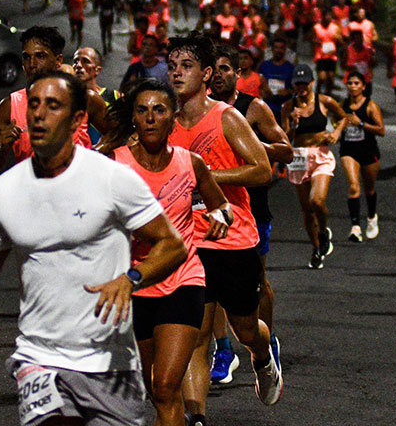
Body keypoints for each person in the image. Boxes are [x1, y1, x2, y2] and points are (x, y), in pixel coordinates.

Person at [0, 71, 187, 426]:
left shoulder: (112, 178)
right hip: (39, 357)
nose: (39, 114)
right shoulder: (4, 191)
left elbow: (172, 245)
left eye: (53, 105)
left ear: (77, 120)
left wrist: (131, 277)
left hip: (108, 362)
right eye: (35, 105)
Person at [163, 35, 281, 424]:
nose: (177, 72)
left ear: (207, 74)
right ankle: (196, 417)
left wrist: (208, 176)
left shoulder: (227, 117)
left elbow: (263, 169)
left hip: (233, 241)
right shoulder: (165, 123)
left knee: (245, 328)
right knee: (196, 334)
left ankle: (262, 356)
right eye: (172, 66)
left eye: (186, 66)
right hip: (189, 244)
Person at [106, 79, 230, 426]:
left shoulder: (191, 163)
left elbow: (220, 205)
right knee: (158, 393)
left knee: (164, 386)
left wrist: (220, 215)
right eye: (142, 110)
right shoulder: (114, 164)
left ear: (173, 117)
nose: (150, 118)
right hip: (137, 283)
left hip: (183, 279)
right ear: (132, 118)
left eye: (159, 110)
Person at [208, 44, 293, 388]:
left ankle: (266, 339)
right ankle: (224, 350)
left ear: (238, 74)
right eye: (214, 69)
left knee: (258, 280)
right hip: (210, 210)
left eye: (227, 68)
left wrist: (251, 144)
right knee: (208, 286)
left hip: (250, 208)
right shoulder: (198, 111)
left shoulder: (252, 108)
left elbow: (285, 150)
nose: (220, 75)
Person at [0, 26, 105, 173]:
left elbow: (118, 132)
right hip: (35, 193)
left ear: (58, 60)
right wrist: (1, 150)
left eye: (40, 56)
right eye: (27, 57)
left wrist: (95, 155)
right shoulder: (9, 106)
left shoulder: (83, 98)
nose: (32, 64)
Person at [281, 64, 346, 267]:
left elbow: (343, 117)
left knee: (317, 201)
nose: (301, 87)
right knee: (306, 209)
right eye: (297, 84)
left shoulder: (324, 101)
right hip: (299, 156)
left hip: (321, 155)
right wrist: (293, 125)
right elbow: (285, 138)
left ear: (311, 83)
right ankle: (316, 249)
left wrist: (335, 132)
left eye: (304, 83)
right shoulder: (288, 107)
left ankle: (324, 231)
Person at [337, 70, 384, 241]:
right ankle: (355, 227)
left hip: (368, 151)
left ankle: (372, 217)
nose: (353, 86)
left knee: (369, 188)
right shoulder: (342, 105)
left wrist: (361, 124)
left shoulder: (371, 106)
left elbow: (381, 130)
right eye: (350, 83)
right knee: (353, 186)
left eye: (356, 83)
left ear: (363, 86)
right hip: (348, 150)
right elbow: (337, 123)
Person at [258, 37, 295, 121]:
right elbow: (258, 84)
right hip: (267, 107)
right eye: (276, 47)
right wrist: (263, 91)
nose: (278, 50)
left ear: (285, 50)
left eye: (281, 48)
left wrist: (288, 92)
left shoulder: (291, 68)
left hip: (284, 108)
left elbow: (296, 88)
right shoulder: (264, 66)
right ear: (272, 49)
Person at [312, 9, 344, 96]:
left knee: (331, 78)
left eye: (330, 16)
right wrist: (316, 42)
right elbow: (312, 39)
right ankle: (317, 93)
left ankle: (327, 95)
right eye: (327, 16)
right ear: (323, 17)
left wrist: (338, 39)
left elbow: (341, 42)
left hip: (332, 56)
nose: (329, 18)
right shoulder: (317, 27)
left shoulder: (335, 27)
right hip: (321, 56)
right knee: (322, 78)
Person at [342, 28, 376, 99]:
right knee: (353, 100)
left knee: (366, 99)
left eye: (361, 38)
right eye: (357, 38)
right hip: (352, 79)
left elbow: (373, 64)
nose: (359, 40)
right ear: (353, 40)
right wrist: (351, 68)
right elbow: (342, 65)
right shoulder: (348, 50)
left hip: (365, 79)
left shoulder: (367, 50)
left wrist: (373, 57)